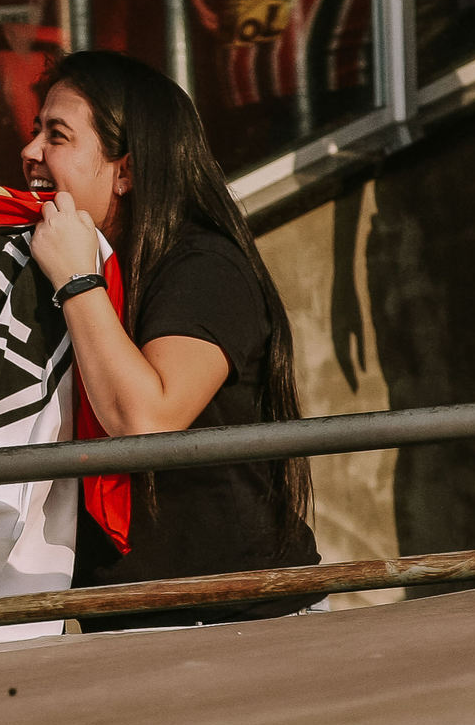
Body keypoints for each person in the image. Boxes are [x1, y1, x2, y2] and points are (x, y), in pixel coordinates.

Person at [23, 49, 320, 629]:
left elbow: (147, 422)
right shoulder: (47, 261)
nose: (30, 151)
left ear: (127, 171)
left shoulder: (204, 263)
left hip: (240, 618)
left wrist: (78, 283)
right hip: (128, 618)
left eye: (57, 136)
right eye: (36, 130)